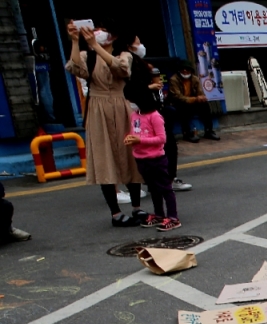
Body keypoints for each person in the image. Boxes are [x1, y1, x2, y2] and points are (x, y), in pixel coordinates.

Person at [65, 22, 146, 227]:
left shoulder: (123, 54)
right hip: (97, 109)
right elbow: (75, 68)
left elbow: (121, 70)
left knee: (130, 155)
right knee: (104, 158)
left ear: (114, 36)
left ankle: (137, 207)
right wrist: (75, 41)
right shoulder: (87, 56)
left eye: (104, 31)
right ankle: (116, 213)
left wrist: (97, 47)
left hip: (121, 106)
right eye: (96, 31)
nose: (99, 34)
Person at [124, 67, 179, 231]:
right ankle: (159, 214)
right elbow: (136, 132)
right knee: (153, 189)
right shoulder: (135, 116)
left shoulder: (155, 116)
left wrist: (140, 139)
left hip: (156, 158)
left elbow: (162, 139)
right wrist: (131, 139)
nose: (131, 104)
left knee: (165, 188)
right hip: (141, 158)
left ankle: (173, 217)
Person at [167, 59, 218, 143]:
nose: (185, 71)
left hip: (192, 102)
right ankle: (187, 133)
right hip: (178, 103)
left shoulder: (194, 79)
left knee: (204, 105)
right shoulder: (174, 79)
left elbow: (200, 92)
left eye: (187, 69)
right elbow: (178, 97)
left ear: (191, 70)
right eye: (183, 69)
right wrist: (195, 99)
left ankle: (209, 131)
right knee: (183, 108)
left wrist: (202, 98)